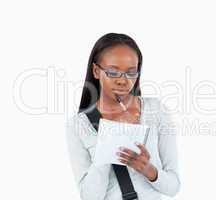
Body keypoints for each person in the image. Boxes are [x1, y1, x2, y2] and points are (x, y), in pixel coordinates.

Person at [65, 33, 181, 200]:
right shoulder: (78, 125)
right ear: (96, 71)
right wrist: (108, 141)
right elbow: (89, 197)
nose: (123, 81)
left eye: (131, 72)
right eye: (113, 72)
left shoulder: (155, 110)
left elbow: (173, 187)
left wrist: (149, 170)